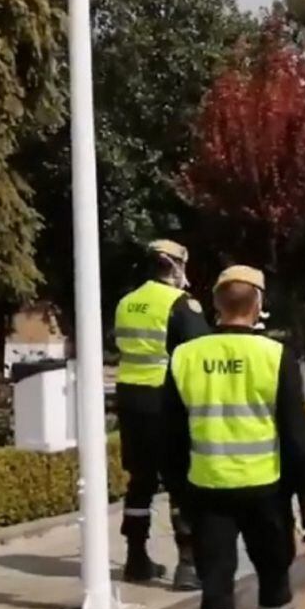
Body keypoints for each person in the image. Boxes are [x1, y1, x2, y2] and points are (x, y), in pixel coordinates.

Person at [161, 265, 305, 609]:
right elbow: (299, 437)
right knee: (274, 575)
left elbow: (170, 439)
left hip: (207, 492)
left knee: (216, 586)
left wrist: (178, 499)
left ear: (216, 305)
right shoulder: (274, 355)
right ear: (256, 305)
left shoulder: (185, 357)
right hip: (266, 492)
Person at [113, 238, 209, 590]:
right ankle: (188, 565)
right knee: (180, 483)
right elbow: (199, 352)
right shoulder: (181, 304)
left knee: (140, 481)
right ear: (174, 265)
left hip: (130, 401)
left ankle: (135, 558)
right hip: (166, 402)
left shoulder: (126, 302)